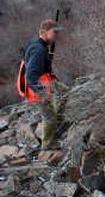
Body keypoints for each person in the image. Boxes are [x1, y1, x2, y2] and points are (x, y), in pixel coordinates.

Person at [23, 19, 66, 150]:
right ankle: (47, 145)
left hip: (43, 81)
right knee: (49, 117)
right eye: (54, 32)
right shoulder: (39, 50)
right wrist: (43, 94)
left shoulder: (36, 44)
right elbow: (30, 77)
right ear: (44, 32)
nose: (57, 35)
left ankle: (57, 123)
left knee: (64, 92)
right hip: (36, 88)